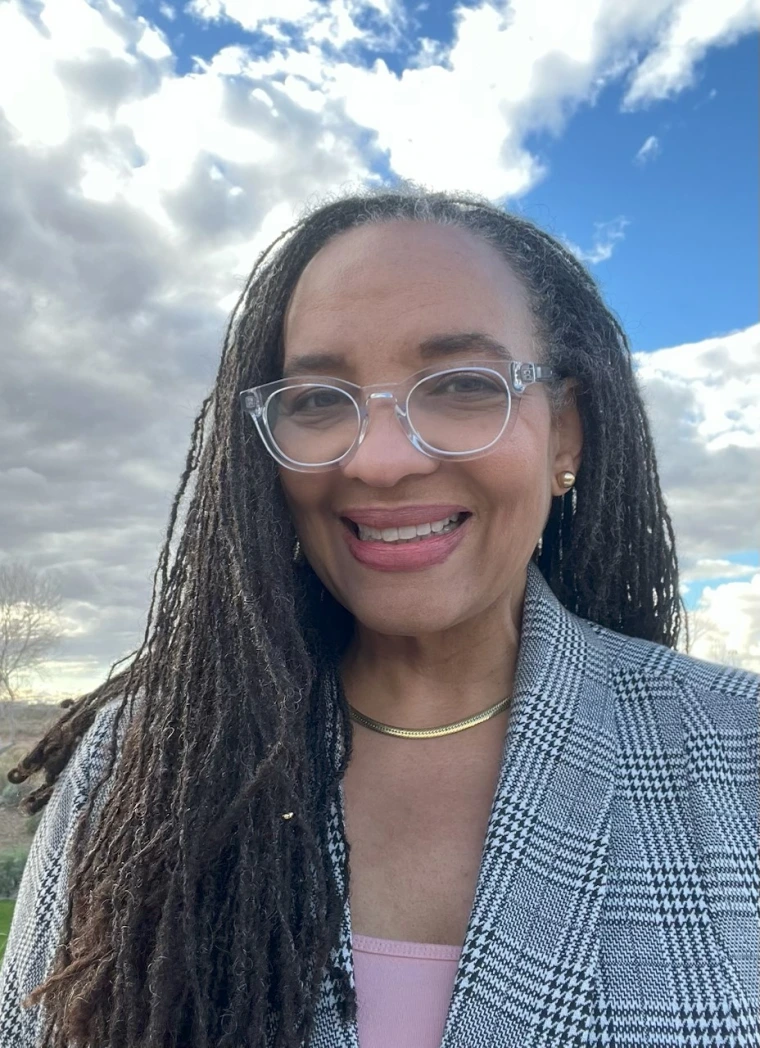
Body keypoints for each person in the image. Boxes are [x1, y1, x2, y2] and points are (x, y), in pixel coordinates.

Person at [0, 187, 757, 1048]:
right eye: (319, 399)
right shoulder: (135, 769)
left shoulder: (741, 752)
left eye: (465, 385)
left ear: (565, 436)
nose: (382, 460)